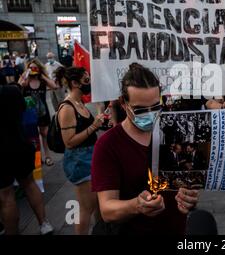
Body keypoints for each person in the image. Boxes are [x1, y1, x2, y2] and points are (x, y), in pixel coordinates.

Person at [91, 63, 199, 235]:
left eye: (156, 107)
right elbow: (107, 210)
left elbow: (185, 180)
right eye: (140, 109)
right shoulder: (107, 145)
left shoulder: (174, 132)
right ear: (124, 104)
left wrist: (189, 197)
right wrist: (136, 205)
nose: (150, 114)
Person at [0, 79, 54, 235]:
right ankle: (44, 223)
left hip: (1, 152)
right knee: (30, 183)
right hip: (19, 144)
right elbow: (23, 111)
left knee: (6, 195)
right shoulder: (12, 91)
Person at [54, 66, 103, 234]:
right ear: (75, 83)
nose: (89, 83)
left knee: (97, 204)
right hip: (79, 161)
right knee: (86, 208)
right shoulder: (67, 108)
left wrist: (99, 115)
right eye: (86, 80)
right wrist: (94, 127)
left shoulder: (80, 102)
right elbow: (69, 142)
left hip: (90, 156)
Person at [19, 59, 57, 166]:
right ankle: (36, 158)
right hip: (29, 113)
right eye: (30, 68)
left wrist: (42, 75)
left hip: (42, 111)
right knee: (32, 136)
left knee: (44, 134)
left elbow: (54, 86)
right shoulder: (25, 80)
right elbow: (17, 88)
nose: (33, 70)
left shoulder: (42, 80)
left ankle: (47, 156)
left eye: (35, 68)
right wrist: (24, 79)